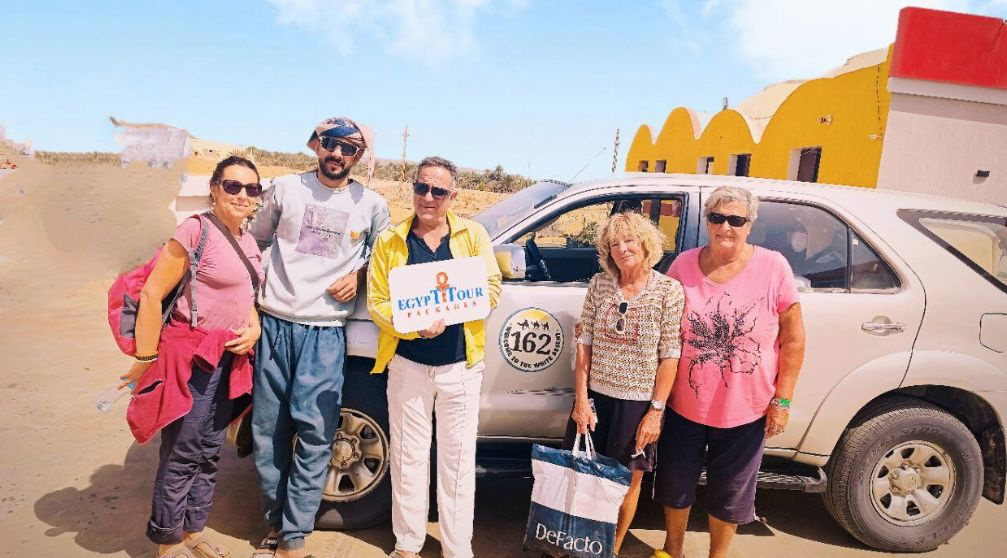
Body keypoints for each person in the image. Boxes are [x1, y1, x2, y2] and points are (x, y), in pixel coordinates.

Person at [247, 117, 391, 558]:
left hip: (326, 332)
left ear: (359, 156)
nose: (337, 154)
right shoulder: (286, 189)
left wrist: (360, 275)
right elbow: (255, 242)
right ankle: (276, 521)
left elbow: (384, 259)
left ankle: (294, 535)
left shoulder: (372, 204)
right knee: (269, 431)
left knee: (316, 434)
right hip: (274, 322)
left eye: (348, 148)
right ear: (317, 145)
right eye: (330, 143)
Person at [120, 156, 265, 558]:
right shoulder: (195, 230)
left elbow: (248, 298)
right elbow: (151, 293)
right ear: (215, 189)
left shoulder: (249, 242)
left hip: (230, 359)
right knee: (183, 449)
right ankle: (168, 540)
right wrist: (146, 357)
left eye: (251, 189)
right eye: (232, 186)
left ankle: (193, 531)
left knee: (210, 448)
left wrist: (253, 328)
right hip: (192, 356)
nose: (242, 195)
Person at [653, 186, 806, 558]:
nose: (726, 227)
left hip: (745, 409)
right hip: (683, 403)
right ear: (707, 220)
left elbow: (794, 340)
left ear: (750, 224)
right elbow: (662, 329)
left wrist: (782, 399)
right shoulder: (683, 265)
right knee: (674, 484)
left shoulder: (773, 267)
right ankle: (672, 550)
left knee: (731, 493)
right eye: (717, 217)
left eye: (736, 219)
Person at [366, 156, 502, 558]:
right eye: (422, 187)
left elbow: (490, 287)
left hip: (460, 366)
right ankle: (408, 543)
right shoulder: (391, 240)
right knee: (409, 458)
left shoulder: (473, 235)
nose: (428, 197)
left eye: (438, 190)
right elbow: (377, 302)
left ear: (452, 195)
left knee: (458, 463)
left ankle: (457, 547)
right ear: (413, 189)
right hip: (408, 364)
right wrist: (413, 325)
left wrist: (457, 311)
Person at [567, 211, 684, 557]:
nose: (622, 249)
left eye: (629, 240)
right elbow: (584, 342)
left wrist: (655, 413)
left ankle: (609, 550)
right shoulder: (599, 284)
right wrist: (581, 400)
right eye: (614, 243)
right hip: (596, 400)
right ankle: (581, 547)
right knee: (587, 481)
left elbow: (670, 355)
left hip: (637, 405)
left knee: (624, 486)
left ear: (646, 243)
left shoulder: (668, 290)